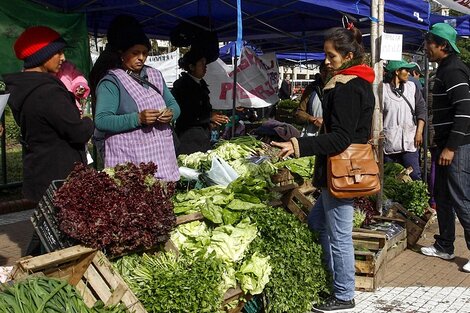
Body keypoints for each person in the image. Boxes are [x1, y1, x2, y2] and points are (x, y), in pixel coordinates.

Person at [272, 25, 375, 312]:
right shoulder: (354, 81)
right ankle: (331, 278)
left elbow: (341, 137)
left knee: (340, 235)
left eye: (331, 56)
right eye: (325, 55)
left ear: (349, 55)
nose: (326, 61)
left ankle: (343, 295)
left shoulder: (347, 86)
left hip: (341, 172)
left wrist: (298, 145)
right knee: (318, 224)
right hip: (336, 172)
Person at [3, 26, 94, 203]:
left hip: (40, 173)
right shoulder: (48, 92)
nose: (63, 58)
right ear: (42, 56)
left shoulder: (23, 88)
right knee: (59, 228)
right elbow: (77, 132)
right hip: (61, 178)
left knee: (48, 228)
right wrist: (87, 122)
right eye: (58, 52)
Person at [93, 19, 180, 182]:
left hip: (162, 159)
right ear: (122, 52)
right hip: (129, 161)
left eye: (145, 53)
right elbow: (102, 120)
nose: (141, 58)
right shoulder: (111, 82)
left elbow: (174, 105)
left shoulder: (155, 75)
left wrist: (171, 113)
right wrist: (138, 118)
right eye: (135, 53)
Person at [420, 23, 470, 273]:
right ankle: (445, 245)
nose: (426, 47)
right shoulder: (444, 69)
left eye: (430, 43)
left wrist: (451, 147)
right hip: (444, 145)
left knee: (461, 196)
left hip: (456, 147)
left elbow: (464, 111)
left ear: (442, 45)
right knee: (443, 195)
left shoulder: (453, 71)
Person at [171, 48, 229, 155]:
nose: (205, 66)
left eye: (205, 63)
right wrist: (209, 117)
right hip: (188, 139)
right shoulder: (182, 85)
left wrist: (211, 121)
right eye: (201, 63)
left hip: (203, 137)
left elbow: (203, 109)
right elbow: (185, 113)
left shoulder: (201, 84)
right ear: (191, 66)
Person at [383, 60, 426, 181]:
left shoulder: (412, 87)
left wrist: (419, 132)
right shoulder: (383, 90)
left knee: (414, 176)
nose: (408, 73)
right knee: (391, 180)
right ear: (397, 72)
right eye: (406, 70)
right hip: (389, 143)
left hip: (410, 141)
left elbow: (421, 110)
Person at [296, 61, 327, 137]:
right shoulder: (311, 88)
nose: (327, 74)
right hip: (312, 133)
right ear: (320, 72)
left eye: (330, 71)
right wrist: (313, 119)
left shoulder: (340, 88)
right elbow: (299, 112)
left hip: (332, 135)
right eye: (325, 71)